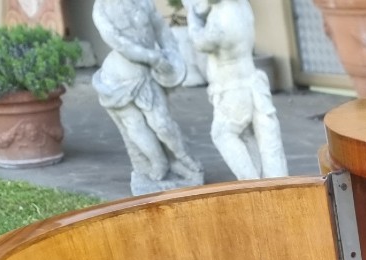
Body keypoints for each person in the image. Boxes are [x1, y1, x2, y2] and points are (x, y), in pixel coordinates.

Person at [91, 0, 204, 193]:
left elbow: (161, 29)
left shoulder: (143, 2)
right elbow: (119, 43)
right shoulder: (101, 9)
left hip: (148, 74)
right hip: (118, 77)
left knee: (162, 124)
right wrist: (154, 58)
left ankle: (183, 158)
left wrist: (173, 57)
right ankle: (158, 163)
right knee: (135, 126)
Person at [186, 0, 288, 180]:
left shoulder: (221, 21)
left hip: (234, 89)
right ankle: (269, 183)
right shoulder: (240, 5)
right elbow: (205, 8)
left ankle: (251, 185)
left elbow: (200, 42)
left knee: (222, 134)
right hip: (248, 82)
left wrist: (191, 16)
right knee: (253, 137)